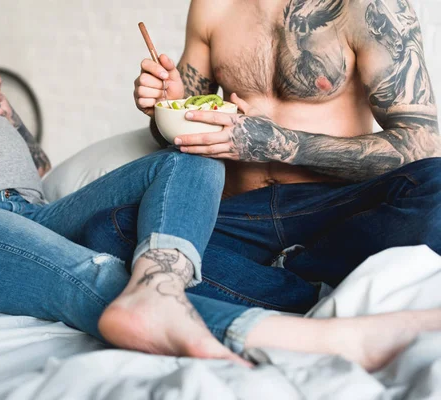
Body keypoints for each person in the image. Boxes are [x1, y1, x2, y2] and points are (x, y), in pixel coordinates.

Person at [0, 0, 440, 372]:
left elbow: (42, 168)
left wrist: (10, 119)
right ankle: (295, 332)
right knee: (93, 271)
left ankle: (164, 283)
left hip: (31, 210)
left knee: (192, 161)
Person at [86, 0, 441, 313]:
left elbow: (423, 143)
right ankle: (304, 291)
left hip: (334, 209)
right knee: (108, 232)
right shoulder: (213, 6)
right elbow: (183, 135)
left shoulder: (369, 6)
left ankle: (263, 278)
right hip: (240, 211)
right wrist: (167, 105)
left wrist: (282, 143)